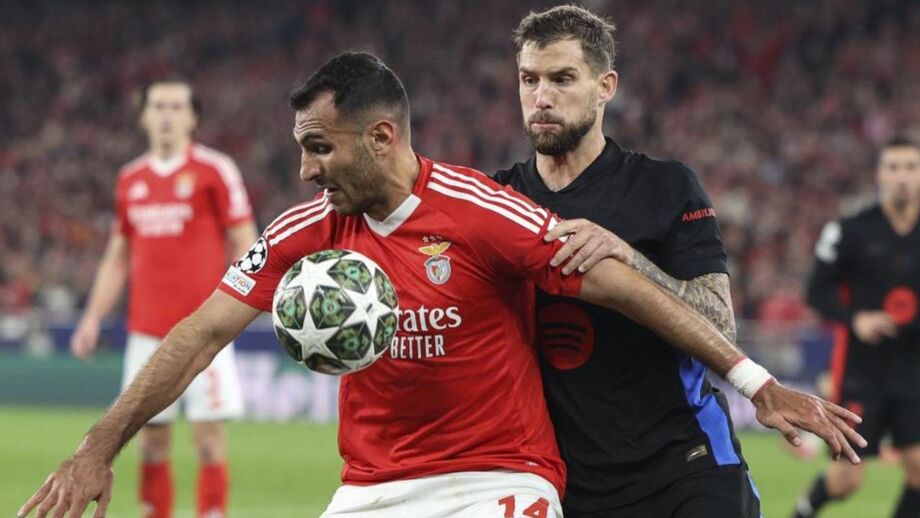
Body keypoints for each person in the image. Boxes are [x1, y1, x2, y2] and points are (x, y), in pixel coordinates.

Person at [20, 52, 863, 518]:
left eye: (319, 148)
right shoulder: (306, 230)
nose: (305, 170)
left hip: (501, 479)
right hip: (372, 488)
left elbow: (616, 284)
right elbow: (200, 331)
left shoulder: (481, 211)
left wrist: (755, 382)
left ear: (382, 138)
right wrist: (97, 448)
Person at [492, 5, 808, 517]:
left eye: (562, 79)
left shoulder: (664, 188)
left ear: (606, 87)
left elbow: (721, 327)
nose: (541, 97)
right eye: (529, 80)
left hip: (685, 463)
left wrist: (628, 257)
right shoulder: (499, 200)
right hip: (570, 482)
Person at [68, 79, 258, 518]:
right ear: (144, 117)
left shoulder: (215, 170)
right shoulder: (130, 179)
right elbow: (118, 256)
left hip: (206, 329)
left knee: (208, 438)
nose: (167, 115)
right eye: (158, 106)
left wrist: (248, 301)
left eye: (176, 107)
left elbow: (245, 240)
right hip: (147, 333)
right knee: (150, 440)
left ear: (193, 117)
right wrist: (92, 319)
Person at [792, 138, 920, 518]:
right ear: (880, 175)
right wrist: (855, 319)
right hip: (862, 371)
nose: (902, 176)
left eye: (911, 167)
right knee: (846, 479)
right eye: (893, 167)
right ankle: (800, 512)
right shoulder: (850, 230)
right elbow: (816, 292)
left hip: (914, 370)